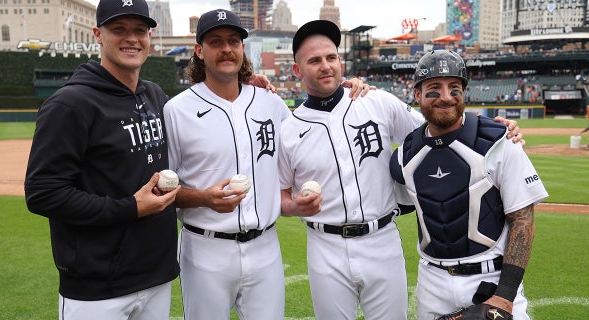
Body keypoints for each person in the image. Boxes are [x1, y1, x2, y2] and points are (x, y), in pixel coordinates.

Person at [278, 21, 524, 320]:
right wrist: (294, 205)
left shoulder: (376, 102)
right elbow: (280, 197)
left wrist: (494, 128)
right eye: (314, 60)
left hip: (381, 239)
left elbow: (439, 124)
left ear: (340, 60)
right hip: (324, 244)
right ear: (297, 70)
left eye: (331, 57)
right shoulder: (288, 130)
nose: (326, 66)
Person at [163, 11, 370, 320]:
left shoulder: (270, 103)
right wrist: (203, 198)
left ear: (243, 49)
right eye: (216, 42)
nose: (227, 49)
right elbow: (165, 189)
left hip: (265, 247)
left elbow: (310, 141)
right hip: (204, 248)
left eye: (234, 41)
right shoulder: (177, 110)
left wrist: (355, 89)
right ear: (199, 50)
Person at [24, 0, 181, 319]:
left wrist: (244, 86)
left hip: (156, 276)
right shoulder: (69, 104)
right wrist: (130, 208)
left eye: (140, 29)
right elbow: (43, 193)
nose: (132, 38)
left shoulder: (154, 95)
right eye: (118, 29)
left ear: (150, 35)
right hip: (97, 289)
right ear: (98, 33)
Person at [389, 50, 549, 320]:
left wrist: (505, 296)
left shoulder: (499, 141)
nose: (446, 97)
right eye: (434, 88)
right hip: (432, 283)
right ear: (417, 95)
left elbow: (523, 220)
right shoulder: (404, 155)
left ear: (464, 92)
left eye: (455, 88)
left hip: (493, 279)